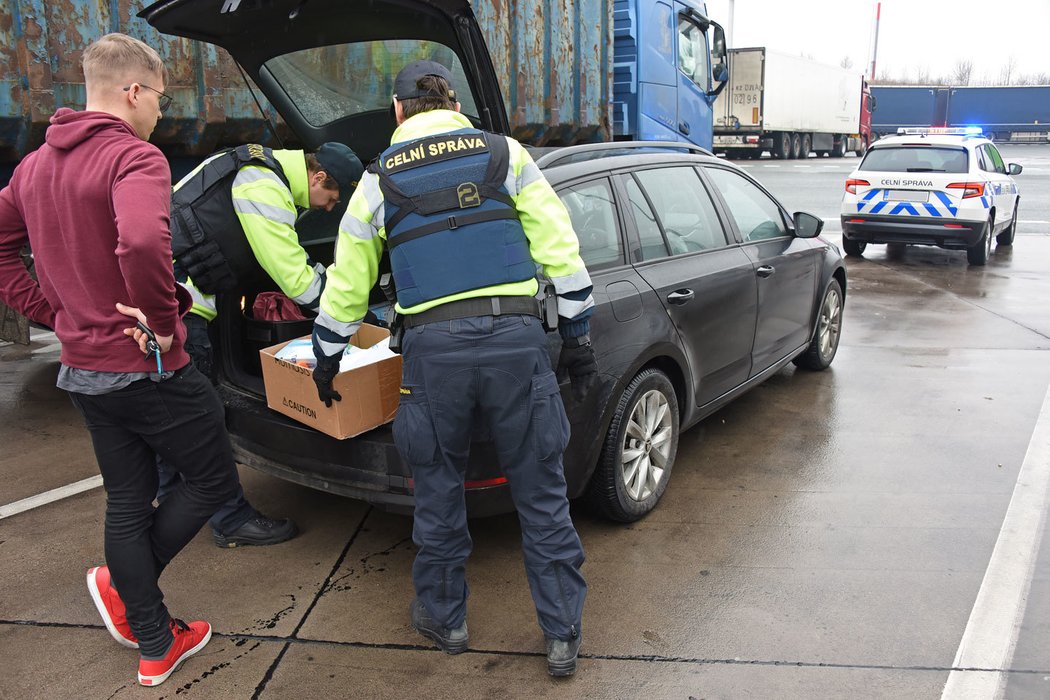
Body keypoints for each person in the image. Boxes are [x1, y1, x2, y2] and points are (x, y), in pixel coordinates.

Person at [311, 60, 598, 677]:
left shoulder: (377, 180)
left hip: (432, 356)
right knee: (542, 495)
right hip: (517, 344)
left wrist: (328, 354)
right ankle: (562, 634)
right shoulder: (507, 156)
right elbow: (560, 248)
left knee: (438, 492)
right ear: (454, 104)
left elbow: (347, 283)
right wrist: (577, 338)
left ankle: (446, 620)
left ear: (397, 111)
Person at [0, 33, 240, 686]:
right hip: (146, 367)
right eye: (160, 99)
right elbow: (139, 242)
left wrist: (57, 313)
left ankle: (157, 640)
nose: (162, 113)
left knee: (129, 501)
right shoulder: (133, 159)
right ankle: (132, 601)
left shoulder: (30, 170)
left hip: (82, 369)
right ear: (133, 91)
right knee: (217, 483)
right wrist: (163, 324)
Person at [158, 141, 364, 548]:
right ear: (317, 177)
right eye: (331, 198)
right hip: (182, 311)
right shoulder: (263, 185)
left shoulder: (244, 162)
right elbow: (295, 278)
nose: (327, 208)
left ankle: (171, 501)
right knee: (203, 421)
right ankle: (230, 519)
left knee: (170, 416)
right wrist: (351, 312)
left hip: (165, 305)